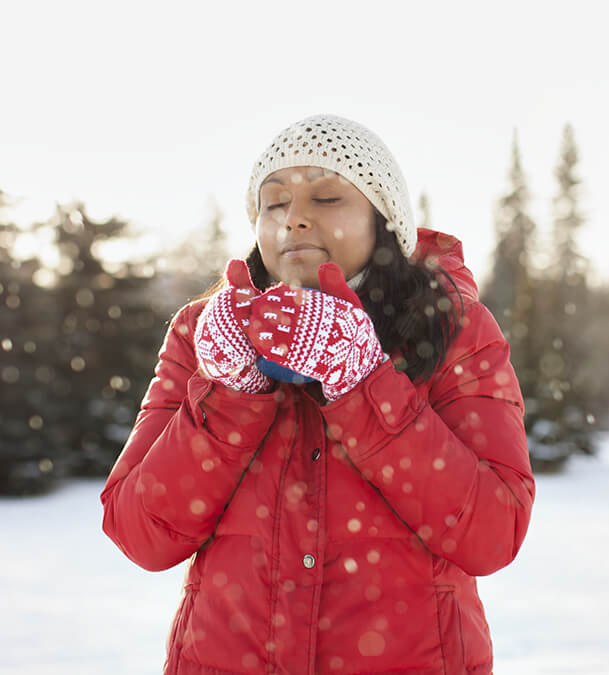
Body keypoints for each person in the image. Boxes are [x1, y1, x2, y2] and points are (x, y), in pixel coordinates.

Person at [101, 113, 535, 675]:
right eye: (275, 202)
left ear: (384, 222)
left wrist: (364, 383)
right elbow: (140, 534)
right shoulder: (203, 332)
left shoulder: (455, 327)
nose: (295, 218)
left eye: (328, 197)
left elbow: (493, 533)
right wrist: (228, 395)